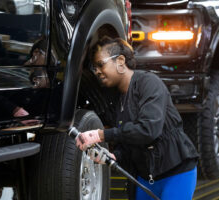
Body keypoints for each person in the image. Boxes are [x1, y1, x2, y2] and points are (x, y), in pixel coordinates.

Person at [75, 36, 199, 200]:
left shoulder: (148, 83)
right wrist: (113, 156)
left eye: (100, 64)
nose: (97, 71)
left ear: (120, 61)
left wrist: (101, 135)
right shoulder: (118, 100)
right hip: (145, 177)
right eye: (94, 67)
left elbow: (148, 130)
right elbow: (129, 141)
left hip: (176, 172)